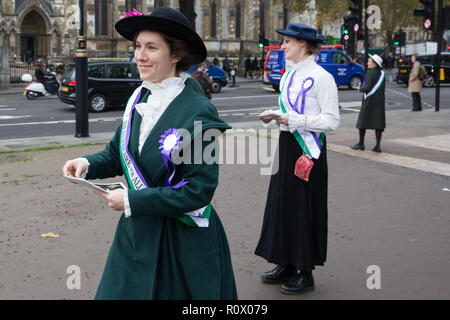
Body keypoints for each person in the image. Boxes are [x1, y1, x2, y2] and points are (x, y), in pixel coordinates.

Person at [62, 7, 237, 300]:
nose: (139, 56)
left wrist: (132, 199)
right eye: (138, 47)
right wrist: (86, 164)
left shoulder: (201, 112)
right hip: (136, 235)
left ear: (176, 54)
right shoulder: (139, 97)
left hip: (181, 241)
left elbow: (199, 191)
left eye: (151, 48)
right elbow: (117, 155)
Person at [255, 23, 340, 295]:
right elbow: (286, 113)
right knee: (282, 204)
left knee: (304, 207)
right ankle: (286, 262)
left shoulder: (322, 77)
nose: (282, 46)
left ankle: (305, 271)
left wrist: (294, 119)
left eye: (288, 41)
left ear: (303, 44)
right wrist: (273, 118)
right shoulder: (289, 75)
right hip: (287, 144)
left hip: (309, 151)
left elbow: (331, 121)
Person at [351, 54, 386, 153]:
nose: (367, 63)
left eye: (369, 61)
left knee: (362, 123)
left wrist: (359, 88)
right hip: (379, 102)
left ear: (375, 64)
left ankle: (361, 143)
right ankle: (377, 146)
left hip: (369, 101)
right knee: (378, 124)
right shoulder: (382, 73)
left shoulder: (371, 73)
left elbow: (367, 88)